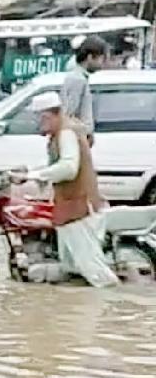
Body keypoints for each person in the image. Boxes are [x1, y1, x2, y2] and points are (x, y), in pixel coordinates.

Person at [12, 93, 118, 288]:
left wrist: (35, 175)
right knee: (72, 269)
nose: (38, 124)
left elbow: (69, 168)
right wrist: (30, 174)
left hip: (80, 211)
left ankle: (117, 308)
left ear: (51, 115)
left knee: (97, 275)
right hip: (69, 209)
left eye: (40, 118)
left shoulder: (66, 133)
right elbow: (55, 166)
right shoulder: (60, 134)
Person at [60, 37, 105, 138]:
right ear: (90, 57)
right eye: (101, 59)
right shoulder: (77, 80)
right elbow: (69, 114)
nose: (102, 63)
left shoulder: (79, 78)